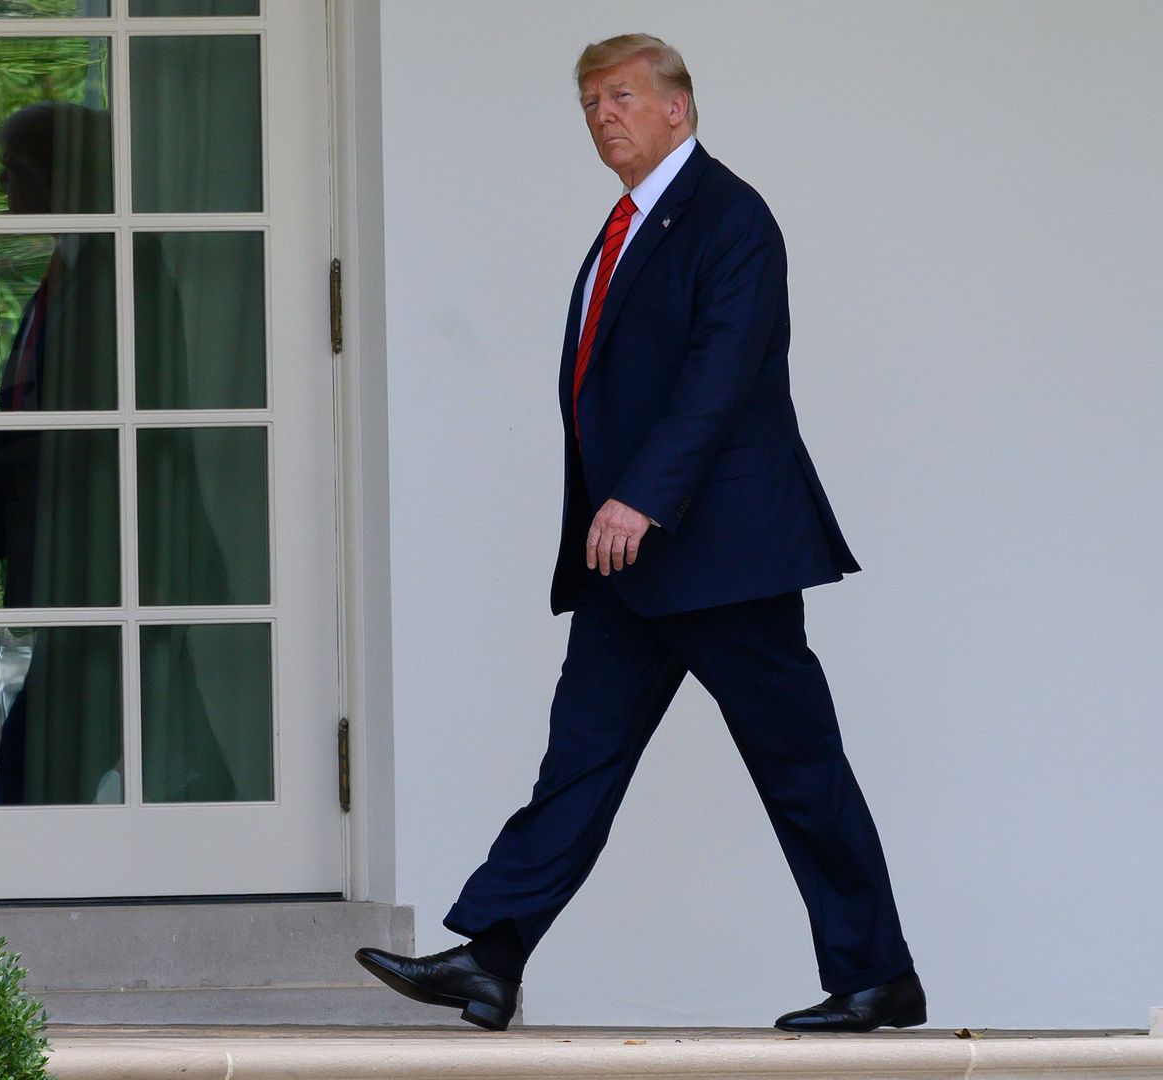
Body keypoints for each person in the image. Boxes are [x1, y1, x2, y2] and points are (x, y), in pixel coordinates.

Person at [354, 34, 924, 1034]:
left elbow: (720, 376)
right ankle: (492, 955)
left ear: (678, 106)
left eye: (619, 96)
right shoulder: (626, 223)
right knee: (577, 763)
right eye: (588, 103)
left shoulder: (730, 218)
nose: (602, 116)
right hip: (633, 565)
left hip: (724, 558)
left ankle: (879, 975)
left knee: (800, 770)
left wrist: (641, 498)